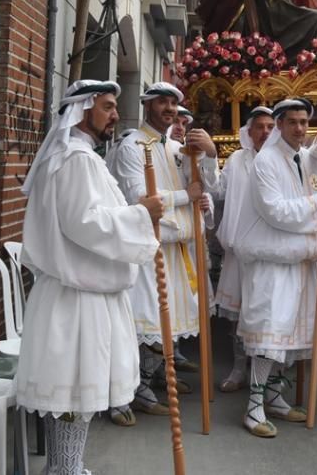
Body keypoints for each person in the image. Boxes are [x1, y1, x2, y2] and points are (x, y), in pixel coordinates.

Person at [15, 80, 163, 474]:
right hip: (74, 298)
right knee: (71, 393)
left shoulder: (78, 156)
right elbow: (86, 224)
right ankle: (64, 470)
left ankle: (68, 467)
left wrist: (137, 214)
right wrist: (141, 213)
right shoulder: (76, 159)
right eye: (108, 106)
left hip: (78, 293)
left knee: (75, 393)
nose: (116, 114)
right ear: (83, 110)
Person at [107, 82, 220, 426]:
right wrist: (185, 197)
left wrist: (210, 155)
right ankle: (122, 394)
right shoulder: (131, 145)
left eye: (173, 103)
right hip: (147, 250)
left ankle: (145, 382)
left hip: (178, 251)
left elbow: (207, 186)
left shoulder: (176, 147)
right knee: (143, 324)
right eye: (162, 103)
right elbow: (137, 199)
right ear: (147, 106)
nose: (169, 109)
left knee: (166, 327)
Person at [232, 98, 317, 438]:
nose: (300, 129)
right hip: (271, 263)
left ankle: (274, 396)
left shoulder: (301, 157)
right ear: (279, 125)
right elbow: (276, 211)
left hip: (299, 261)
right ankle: (253, 407)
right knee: (269, 334)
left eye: (305, 122)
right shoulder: (266, 162)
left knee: (287, 335)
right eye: (293, 122)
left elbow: (316, 161)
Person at [213, 106, 275, 392]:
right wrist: (207, 163)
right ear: (248, 132)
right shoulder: (237, 160)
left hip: (270, 252)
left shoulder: (282, 160)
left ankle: (266, 379)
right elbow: (219, 191)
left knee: (266, 314)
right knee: (237, 315)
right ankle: (238, 368)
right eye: (259, 127)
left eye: (270, 127)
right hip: (239, 252)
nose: (265, 132)